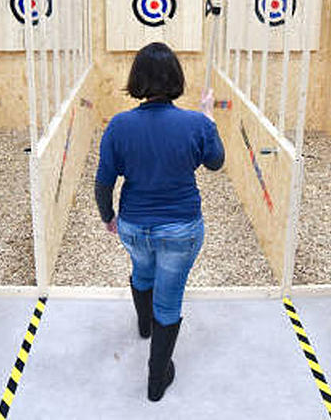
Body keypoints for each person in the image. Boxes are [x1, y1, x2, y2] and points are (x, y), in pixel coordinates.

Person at [94, 42, 225, 401]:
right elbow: (216, 163)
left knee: (142, 270)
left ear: (137, 80)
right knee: (169, 301)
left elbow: (104, 181)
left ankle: (143, 325)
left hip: (134, 226)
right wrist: (209, 119)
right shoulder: (196, 123)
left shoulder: (119, 126)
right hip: (181, 228)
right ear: (176, 79)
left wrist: (108, 217)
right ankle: (156, 378)